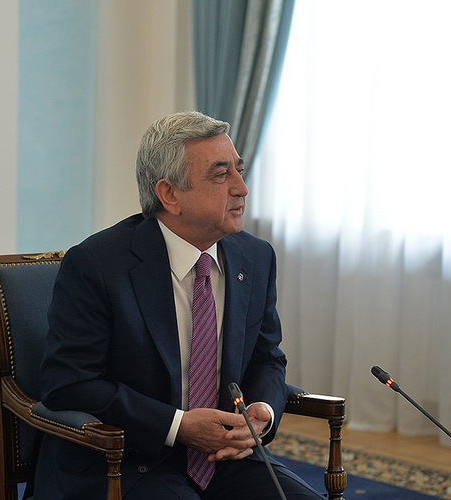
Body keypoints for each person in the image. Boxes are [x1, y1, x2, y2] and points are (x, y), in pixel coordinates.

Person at [34, 111, 324, 499]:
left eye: (239, 171)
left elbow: (267, 357)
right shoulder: (98, 264)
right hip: (124, 460)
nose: (242, 188)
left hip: (226, 457)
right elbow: (68, 383)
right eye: (221, 175)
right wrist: (178, 426)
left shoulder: (255, 257)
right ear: (169, 194)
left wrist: (262, 412)